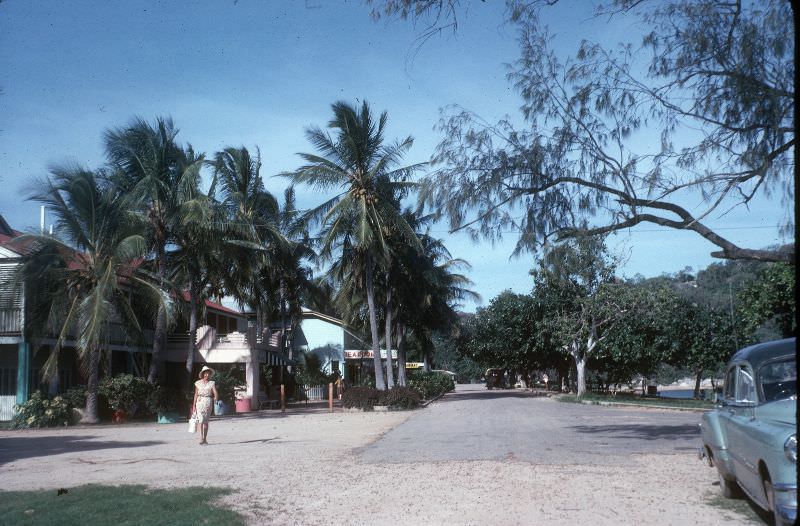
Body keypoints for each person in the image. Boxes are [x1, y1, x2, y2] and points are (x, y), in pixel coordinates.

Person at [193, 365, 219, 445]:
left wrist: (216, 398)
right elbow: (196, 394)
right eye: (206, 373)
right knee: (200, 420)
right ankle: (201, 438)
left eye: (208, 374)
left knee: (206, 421)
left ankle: (205, 438)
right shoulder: (198, 383)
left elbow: (215, 392)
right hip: (199, 401)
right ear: (203, 374)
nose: (207, 375)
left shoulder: (211, 383)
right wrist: (193, 405)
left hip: (208, 402)